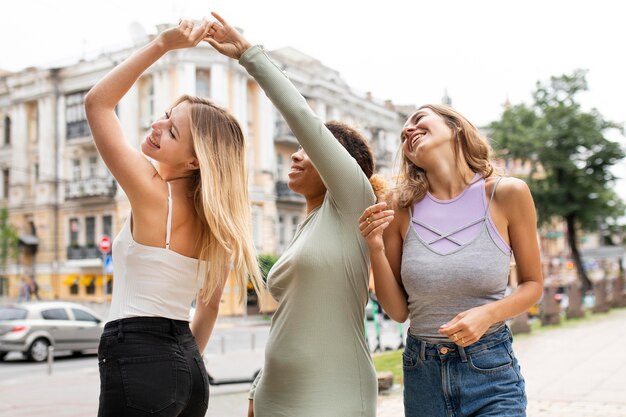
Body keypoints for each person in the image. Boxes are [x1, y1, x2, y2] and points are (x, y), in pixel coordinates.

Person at [205, 13, 385, 417]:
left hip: (333, 392)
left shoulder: (354, 201)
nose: (297, 154)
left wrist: (250, 57)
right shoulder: (307, 226)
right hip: (275, 394)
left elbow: (304, 121)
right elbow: (287, 319)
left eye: (311, 150)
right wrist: (257, 387)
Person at [84, 19, 264, 417]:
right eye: (165, 115)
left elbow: (97, 103)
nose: (156, 125)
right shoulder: (220, 224)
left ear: (194, 160)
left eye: (172, 131)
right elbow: (210, 307)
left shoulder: (151, 192)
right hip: (188, 368)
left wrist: (163, 44)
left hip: (136, 354)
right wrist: (179, 365)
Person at [360, 105, 543, 417]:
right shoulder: (399, 206)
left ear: (456, 127)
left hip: (490, 369)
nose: (408, 130)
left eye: (418, 119)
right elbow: (398, 311)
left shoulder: (507, 193)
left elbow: (533, 285)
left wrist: (487, 314)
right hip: (423, 373)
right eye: (404, 131)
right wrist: (374, 247)